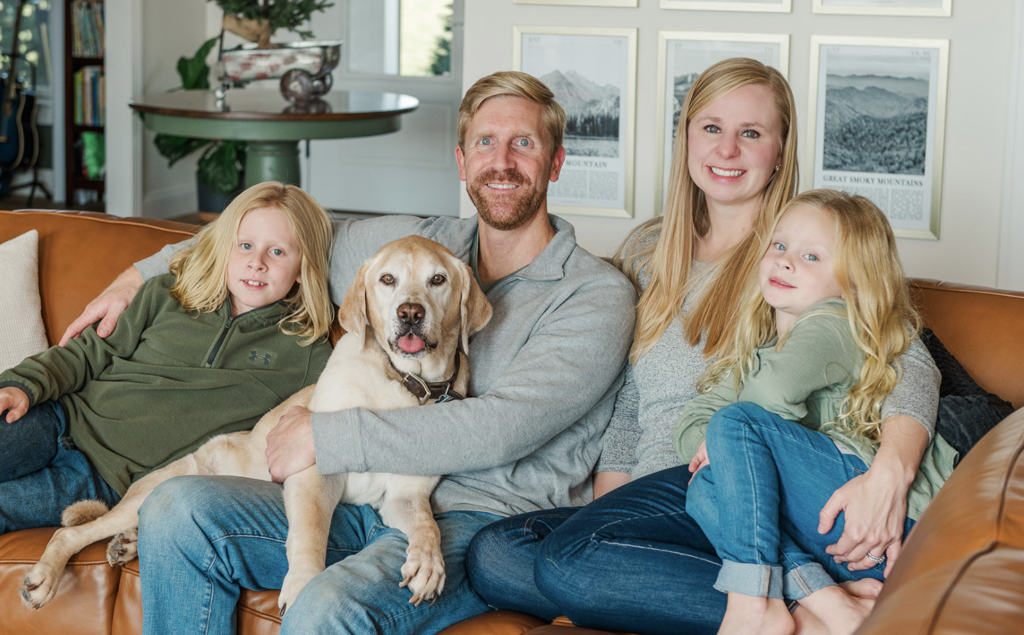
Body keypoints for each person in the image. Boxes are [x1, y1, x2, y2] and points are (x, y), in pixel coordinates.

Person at [58, 71, 637, 635]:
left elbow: (504, 427)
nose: (502, 161)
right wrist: (139, 275)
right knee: (177, 510)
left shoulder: (594, 296)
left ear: (555, 162)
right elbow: (273, 229)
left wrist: (327, 437)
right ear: (462, 163)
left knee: (326, 608)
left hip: (478, 522)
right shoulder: (412, 248)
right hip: (361, 496)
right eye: (485, 142)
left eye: (524, 143)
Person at [466, 58, 940, 635]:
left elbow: (903, 355)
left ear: (780, 149)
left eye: (752, 133)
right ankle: (802, 597)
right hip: (659, 502)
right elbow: (628, 403)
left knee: (569, 563)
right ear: (686, 137)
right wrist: (605, 512)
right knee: (496, 551)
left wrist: (889, 474)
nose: (728, 150)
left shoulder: (798, 252)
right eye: (712, 128)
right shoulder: (647, 251)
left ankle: (778, 608)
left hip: (739, 496)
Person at [677, 190, 958, 635]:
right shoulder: (757, 349)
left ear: (855, 282)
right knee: (705, 487)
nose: (786, 261)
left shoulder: (837, 320)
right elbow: (692, 428)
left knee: (733, 425)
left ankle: (752, 601)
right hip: (835, 535)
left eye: (811, 256)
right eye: (780, 246)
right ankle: (826, 601)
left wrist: (730, 435)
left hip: (882, 521)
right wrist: (724, 443)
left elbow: (764, 396)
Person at [0, 181, 334, 535]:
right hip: (57, 418)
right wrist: (23, 385)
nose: (256, 263)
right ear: (224, 249)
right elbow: (84, 355)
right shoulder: (165, 294)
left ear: (303, 268)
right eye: (246, 246)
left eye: (278, 252)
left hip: (102, 481)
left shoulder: (309, 354)